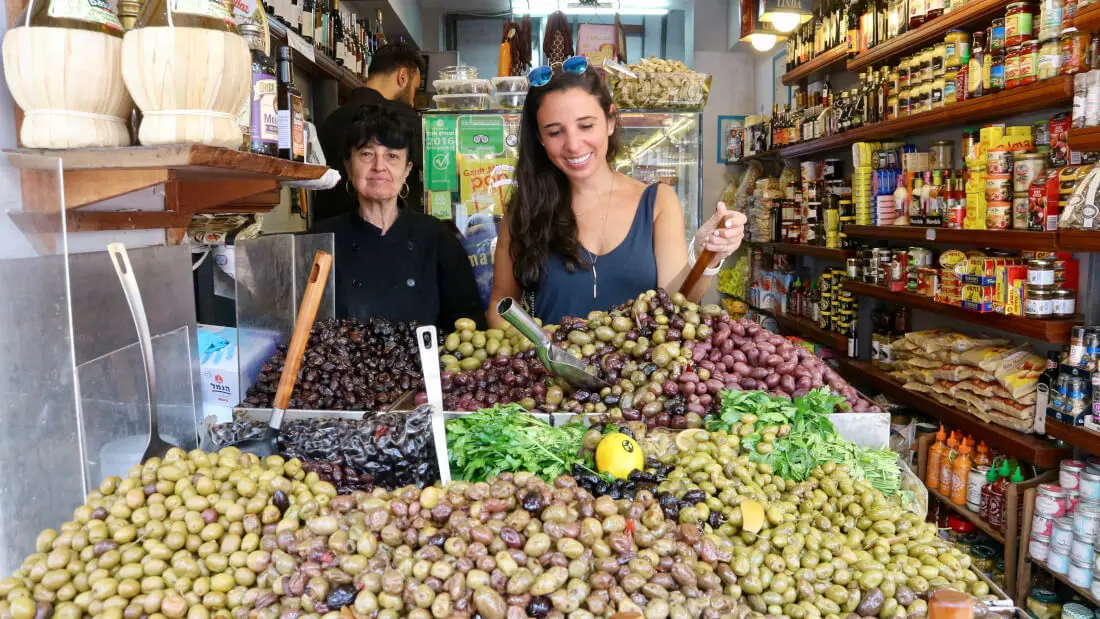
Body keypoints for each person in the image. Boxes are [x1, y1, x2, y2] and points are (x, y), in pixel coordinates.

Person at [488, 59, 745, 326]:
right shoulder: (525, 209)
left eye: (586, 126)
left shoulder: (658, 202)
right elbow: (500, 305)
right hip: (547, 356)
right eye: (555, 132)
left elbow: (676, 303)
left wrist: (705, 256)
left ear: (610, 121)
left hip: (641, 355)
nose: (573, 145)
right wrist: (537, 342)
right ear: (539, 138)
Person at [312, 104, 486, 330]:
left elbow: (468, 326)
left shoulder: (437, 237)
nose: (379, 167)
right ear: (348, 166)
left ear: (407, 170)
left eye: (392, 156)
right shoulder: (322, 239)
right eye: (367, 154)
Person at [315, 44, 425, 222]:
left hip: (330, 231)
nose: (412, 102)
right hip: (386, 231)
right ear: (402, 77)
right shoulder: (399, 118)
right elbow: (447, 164)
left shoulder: (331, 120)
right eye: (415, 90)